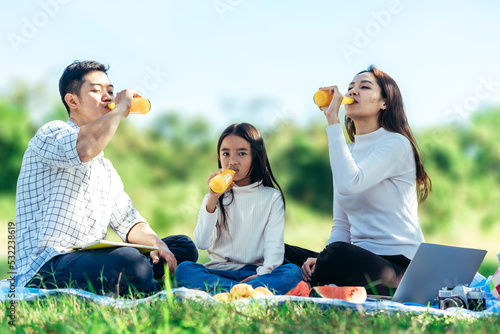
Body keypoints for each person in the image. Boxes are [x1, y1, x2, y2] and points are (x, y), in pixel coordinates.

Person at [15, 60, 198, 296]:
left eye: (111, 92)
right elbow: (84, 148)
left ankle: (141, 277)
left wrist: (157, 246)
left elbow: (129, 221)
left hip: (89, 257)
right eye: (96, 90)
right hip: (46, 265)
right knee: (128, 260)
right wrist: (122, 107)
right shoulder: (51, 133)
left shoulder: (106, 168)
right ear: (72, 101)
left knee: (181, 247)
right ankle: (149, 283)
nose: (107, 97)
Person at [285, 65, 432, 296]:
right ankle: (324, 281)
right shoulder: (347, 152)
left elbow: (350, 183)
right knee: (280, 250)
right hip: (358, 260)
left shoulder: (396, 144)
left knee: (341, 255)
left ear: (384, 102)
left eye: (364, 87)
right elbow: (341, 225)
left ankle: (320, 283)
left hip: (398, 267)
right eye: (350, 87)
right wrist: (323, 258)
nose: (353, 92)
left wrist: (332, 121)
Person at [175, 123, 302, 295]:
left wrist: (263, 274)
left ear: (255, 157)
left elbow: (274, 246)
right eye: (226, 153)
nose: (232, 160)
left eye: (242, 153)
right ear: (219, 157)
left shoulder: (271, 197)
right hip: (219, 272)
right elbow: (202, 243)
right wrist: (212, 199)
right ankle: (248, 293)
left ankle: (228, 293)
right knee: (184, 269)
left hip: (256, 273)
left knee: (292, 272)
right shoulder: (213, 198)